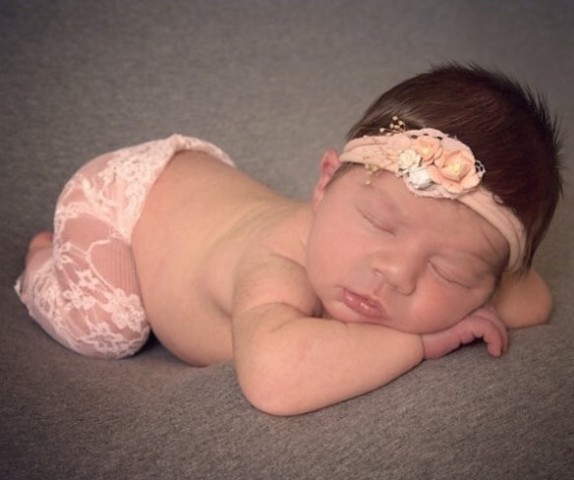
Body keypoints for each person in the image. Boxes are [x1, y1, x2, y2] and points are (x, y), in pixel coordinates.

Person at [15, 64, 562, 415]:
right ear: (325, 185)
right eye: (379, 223)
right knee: (106, 329)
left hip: (201, 194)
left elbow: (532, 299)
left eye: (449, 269)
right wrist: (421, 341)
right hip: (122, 204)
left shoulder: (421, 263)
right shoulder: (277, 265)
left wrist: (468, 289)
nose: (397, 273)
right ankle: (45, 258)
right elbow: (273, 379)